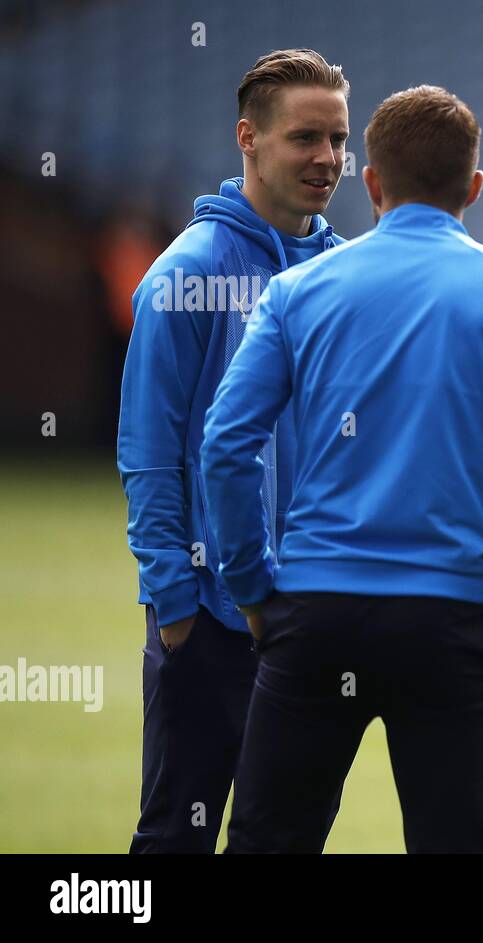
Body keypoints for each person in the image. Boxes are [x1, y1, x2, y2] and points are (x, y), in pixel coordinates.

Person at [202, 85, 483, 853]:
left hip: (313, 610)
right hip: (454, 617)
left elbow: (225, 445)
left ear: (370, 182)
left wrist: (251, 584)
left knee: (268, 839)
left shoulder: (295, 290)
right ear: (473, 188)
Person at [117, 48, 349, 853]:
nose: (327, 159)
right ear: (247, 138)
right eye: (305, 138)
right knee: (174, 840)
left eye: (339, 140)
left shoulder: (347, 274)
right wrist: (176, 611)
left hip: (315, 617)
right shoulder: (187, 273)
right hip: (210, 621)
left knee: (291, 836)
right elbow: (147, 454)